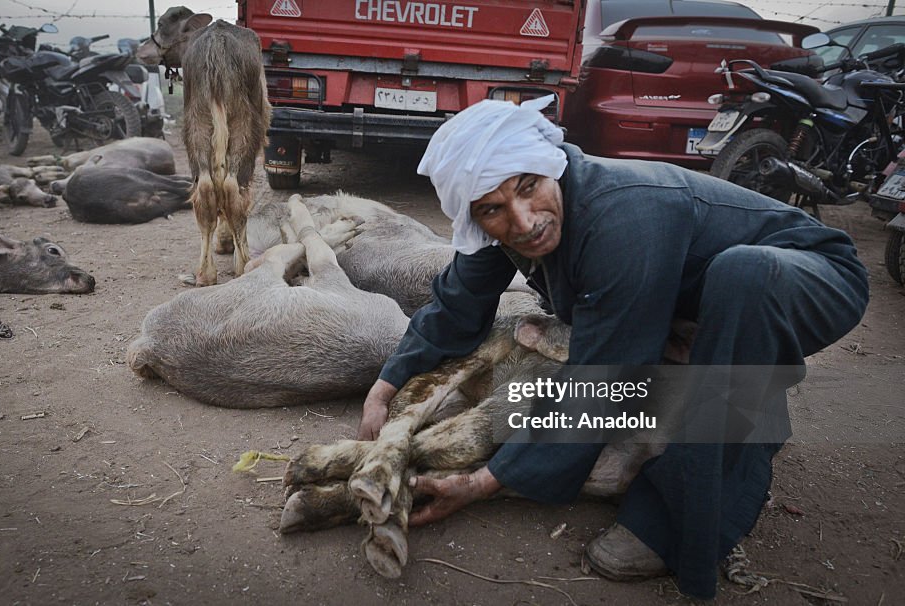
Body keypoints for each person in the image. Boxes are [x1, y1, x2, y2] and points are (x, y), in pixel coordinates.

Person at [356, 96, 869, 599]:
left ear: (546, 165)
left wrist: (485, 481)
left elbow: (607, 376)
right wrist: (386, 386)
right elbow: (457, 304)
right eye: (493, 209)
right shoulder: (512, 226)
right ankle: (730, 363)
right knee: (695, 317)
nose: (524, 221)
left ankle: (677, 519)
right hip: (710, 291)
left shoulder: (625, 214)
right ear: (476, 216)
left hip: (808, 276)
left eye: (529, 187)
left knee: (743, 280)